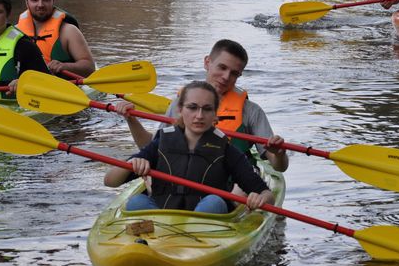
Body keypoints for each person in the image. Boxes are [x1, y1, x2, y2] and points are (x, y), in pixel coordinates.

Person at [115, 39, 289, 173]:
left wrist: (280, 154)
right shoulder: (180, 104)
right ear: (207, 62)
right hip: (186, 177)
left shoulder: (251, 111)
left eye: (234, 73)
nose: (226, 77)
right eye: (222, 67)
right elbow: (150, 148)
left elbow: (278, 167)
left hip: (233, 183)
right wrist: (131, 119)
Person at [105, 80, 275, 213]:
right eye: (192, 108)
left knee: (214, 202)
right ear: (180, 109)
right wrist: (131, 165)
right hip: (162, 220)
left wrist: (259, 199)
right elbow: (110, 181)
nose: (199, 116)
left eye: (207, 109)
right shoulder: (160, 144)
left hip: (202, 223)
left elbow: (267, 195)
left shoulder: (227, 151)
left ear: (215, 114)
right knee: (136, 202)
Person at [16, 0, 95, 77]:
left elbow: (90, 67)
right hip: (26, 87)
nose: (40, 5)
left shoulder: (69, 31)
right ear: (26, 3)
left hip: (61, 88)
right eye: (35, 0)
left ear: (53, 1)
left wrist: (64, 66)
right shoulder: (15, 32)